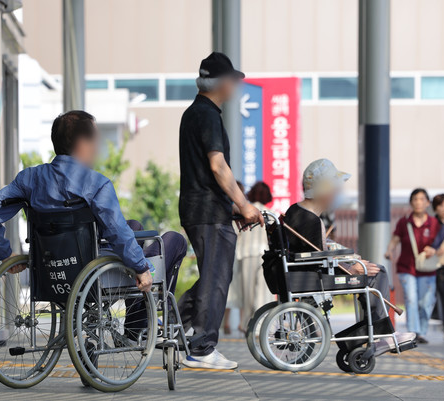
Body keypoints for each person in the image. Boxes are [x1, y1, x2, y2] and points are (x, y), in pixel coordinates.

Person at [0, 110, 186, 301]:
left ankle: (139, 321)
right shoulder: (95, 183)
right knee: (174, 241)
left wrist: (5, 255)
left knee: (134, 226)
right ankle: (140, 324)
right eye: (95, 140)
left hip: (50, 273)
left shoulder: (29, 179)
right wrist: (140, 267)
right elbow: (116, 231)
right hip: (91, 274)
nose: (97, 147)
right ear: (82, 143)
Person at [177, 52, 264, 370]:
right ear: (223, 83)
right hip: (208, 212)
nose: (235, 86)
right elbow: (217, 166)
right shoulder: (209, 115)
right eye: (233, 80)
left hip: (202, 208)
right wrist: (243, 204)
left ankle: (166, 323)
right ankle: (201, 348)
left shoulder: (192, 113)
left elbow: (203, 171)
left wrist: (232, 209)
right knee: (216, 279)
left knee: (213, 277)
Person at [285, 159, 415, 354]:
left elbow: (316, 250)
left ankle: (373, 333)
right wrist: (351, 268)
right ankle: (381, 335)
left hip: (305, 273)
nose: (338, 193)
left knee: (369, 269)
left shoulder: (295, 211)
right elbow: (317, 258)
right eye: (336, 189)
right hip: (318, 277)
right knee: (377, 272)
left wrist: (348, 258)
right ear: (325, 190)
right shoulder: (310, 220)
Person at [385, 188, 440, 344]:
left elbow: (441, 243)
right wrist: (389, 250)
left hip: (428, 270)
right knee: (411, 298)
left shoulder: (434, 223)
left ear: (427, 203)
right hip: (407, 268)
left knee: (425, 302)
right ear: (411, 202)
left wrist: (434, 249)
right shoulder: (404, 222)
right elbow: (395, 240)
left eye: (422, 199)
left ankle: (421, 331)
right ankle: (413, 332)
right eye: (415, 199)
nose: (418, 202)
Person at [224, 181, 274, 335]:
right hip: (264, 254)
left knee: (247, 293)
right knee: (263, 292)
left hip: (245, 254)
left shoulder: (246, 212)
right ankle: (264, 325)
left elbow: (237, 233)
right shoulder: (268, 212)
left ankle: (247, 324)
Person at [431, 194, 444, 341]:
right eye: (441, 206)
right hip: (441, 267)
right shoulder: (433, 224)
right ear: (435, 208)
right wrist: (434, 248)